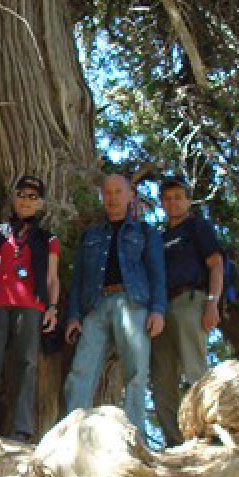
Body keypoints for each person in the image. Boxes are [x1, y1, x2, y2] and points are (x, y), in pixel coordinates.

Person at [63, 173, 166, 431]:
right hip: (96, 305)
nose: (112, 197)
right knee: (81, 371)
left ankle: (136, 436)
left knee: (136, 373)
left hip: (133, 304)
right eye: (107, 192)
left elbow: (157, 273)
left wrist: (158, 310)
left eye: (118, 191)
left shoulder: (144, 232)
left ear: (131, 195)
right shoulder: (91, 235)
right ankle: (73, 434)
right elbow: (78, 279)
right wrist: (74, 315)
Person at [0, 174, 60, 441]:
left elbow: (52, 278)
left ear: (41, 204)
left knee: (27, 365)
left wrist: (52, 307)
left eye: (32, 197)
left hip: (30, 306)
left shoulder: (47, 239)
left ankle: (20, 430)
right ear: (14, 198)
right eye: (21, 194)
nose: (26, 201)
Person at [151, 177, 226, 447]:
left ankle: (208, 431)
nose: (172, 202)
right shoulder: (158, 238)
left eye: (178, 197)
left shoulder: (197, 227)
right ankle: (173, 441)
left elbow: (216, 264)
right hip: (161, 308)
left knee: (195, 367)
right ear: (161, 202)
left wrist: (212, 302)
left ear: (188, 200)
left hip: (189, 300)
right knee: (162, 377)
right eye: (167, 198)